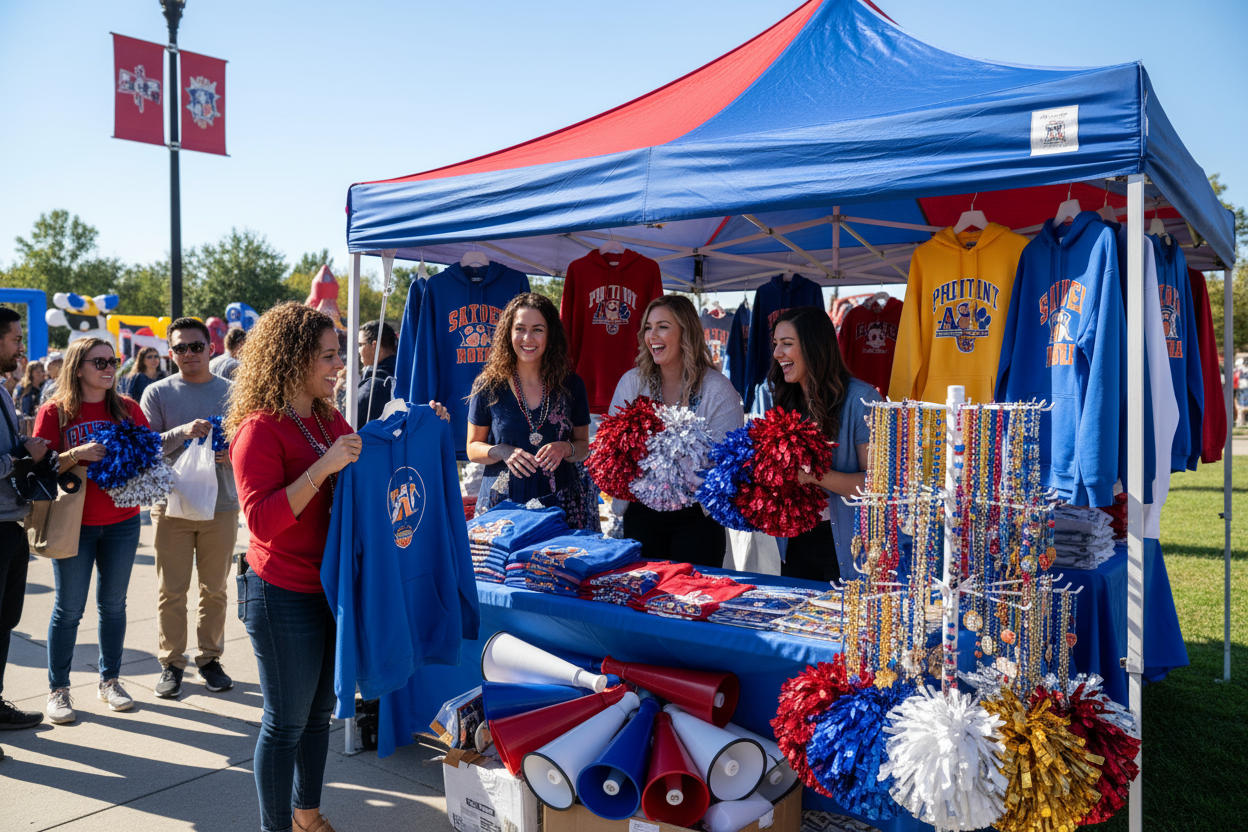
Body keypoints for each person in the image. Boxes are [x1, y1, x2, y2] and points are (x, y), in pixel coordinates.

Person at [227, 302, 360, 832]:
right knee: (284, 724)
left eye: (338, 356)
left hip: (328, 588)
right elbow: (261, 520)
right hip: (280, 590)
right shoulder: (259, 428)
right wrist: (324, 466)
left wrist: (411, 424)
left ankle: (307, 815)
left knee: (316, 718)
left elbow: (366, 457)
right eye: (328, 357)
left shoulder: (326, 416)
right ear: (293, 359)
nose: (338, 367)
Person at [34, 338, 149, 724]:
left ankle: (110, 680)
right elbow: (38, 470)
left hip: (122, 520)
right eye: (98, 360)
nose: (108, 366)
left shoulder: (128, 408)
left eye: (112, 360)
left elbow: (148, 454)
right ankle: (59, 690)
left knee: (114, 607)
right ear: (77, 366)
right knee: (69, 609)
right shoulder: (55, 412)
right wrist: (74, 455)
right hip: (74, 524)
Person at [141, 318, 239, 700]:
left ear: (210, 348)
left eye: (195, 346)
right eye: (180, 348)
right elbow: (147, 448)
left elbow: (248, 443)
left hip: (222, 504)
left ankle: (210, 659)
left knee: (214, 589)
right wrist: (181, 432)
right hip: (172, 505)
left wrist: (228, 453)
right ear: (170, 352)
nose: (189, 354)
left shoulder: (233, 392)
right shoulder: (157, 393)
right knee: (172, 590)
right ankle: (171, 663)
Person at [607, 295, 744, 566]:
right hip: (640, 514)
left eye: (663, 326)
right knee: (642, 602)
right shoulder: (632, 383)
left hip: (697, 519)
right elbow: (612, 450)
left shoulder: (718, 389)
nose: (652, 335)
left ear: (686, 332)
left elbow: (728, 463)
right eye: (648, 327)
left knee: (693, 602)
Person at [466, 293, 598, 531]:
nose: (528, 338)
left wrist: (565, 447)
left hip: (562, 507)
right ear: (509, 333)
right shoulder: (487, 385)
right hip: (502, 509)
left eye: (537, 329)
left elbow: (582, 446)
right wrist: (501, 450)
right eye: (520, 328)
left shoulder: (572, 385)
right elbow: (473, 447)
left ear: (550, 335)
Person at [768, 306, 879, 582]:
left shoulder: (862, 399)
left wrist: (812, 476)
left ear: (813, 346)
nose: (777, 353)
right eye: (775, 344)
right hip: (795, 541)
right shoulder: (786, 397)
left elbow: (876, 485)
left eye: (787, 344)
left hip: (847, 546)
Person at [0, 308, 50, 755]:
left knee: (4, 624)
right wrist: (22, 458)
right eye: (15, 338)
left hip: (10, 524)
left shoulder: (2, 389)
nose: (21, 347)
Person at [355, 321, 397, 426]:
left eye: (360, 345)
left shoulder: (374, 387)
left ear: (375, 346)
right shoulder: (408, 374)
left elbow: (351, 426)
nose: (358, 350)